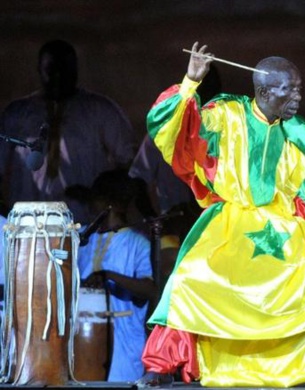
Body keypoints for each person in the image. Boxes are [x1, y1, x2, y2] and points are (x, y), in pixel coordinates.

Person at [136, 42, 305, 388]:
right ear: (264, 91)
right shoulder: (226, 116)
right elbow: (178, 129)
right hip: (229, 229)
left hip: (288, 233)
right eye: (289, 89)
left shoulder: (303, 134)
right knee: (188, 279)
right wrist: (190, 82)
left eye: (299, 88)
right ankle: (161, 366)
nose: (298, 96)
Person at [0, 39, 137, 224]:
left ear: (76, 70)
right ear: (39, 70)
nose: (57, 76)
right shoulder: (16, 114)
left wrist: (97, 194)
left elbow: (131, 163)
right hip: (26, 226)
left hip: (84, 226)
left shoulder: (100, 110)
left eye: (65, 70)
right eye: (51, 70)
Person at [75, 169, 156, 382]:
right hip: (83, 340)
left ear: (108, 204)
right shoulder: (83, 238)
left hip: (125, 346)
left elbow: (150, 289)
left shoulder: (137, 243)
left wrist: (108, 275)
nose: (90, 207)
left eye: (95, 200)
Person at [128, 65, 222, 218]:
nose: (205, 94)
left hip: (216, 219)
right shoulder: (164, 131)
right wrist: (154, 220)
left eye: (211, 88)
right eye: (200, 87)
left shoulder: (229, 130)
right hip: (174, 221)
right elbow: (137, 180)